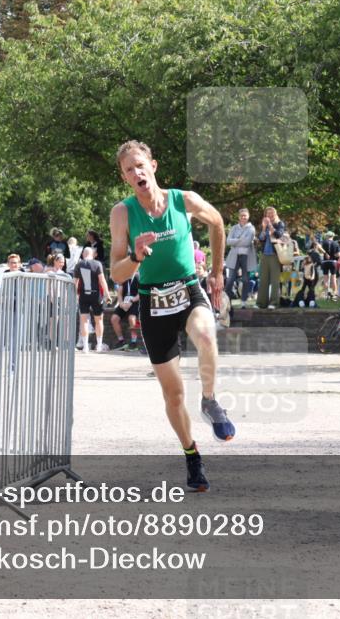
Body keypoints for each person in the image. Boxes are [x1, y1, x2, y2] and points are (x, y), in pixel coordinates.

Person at [108, 139, 233, 492]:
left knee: (206, 335)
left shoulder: (183, 200)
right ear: (125, 178)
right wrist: (135, 257)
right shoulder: (123, 213)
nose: (136, 173)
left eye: (140, 165)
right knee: (174, 395)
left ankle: (210, 400)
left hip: (188, 288)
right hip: (153, 302)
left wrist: (218, 272)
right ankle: (192, 456)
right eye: (128, 170)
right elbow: (117, 273)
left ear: (153, 166)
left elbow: (218, 223)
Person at [75, 246, 109, 353]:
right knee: (99, 320)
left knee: (83, 320)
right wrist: (107, 294)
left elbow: (74, 282)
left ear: (83, 254)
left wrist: (76, 295)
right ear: (92, 254)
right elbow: (102, 280)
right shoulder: (97, 264)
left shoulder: (78, 265)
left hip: (84, 295)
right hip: (96, 294)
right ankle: (99, 345)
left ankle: (85, 347)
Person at [225, 208, 257, 307]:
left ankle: (243, 301)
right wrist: (241, 239)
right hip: (234, 256)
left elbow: (247, 243)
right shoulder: (234, 228)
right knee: (230, 279)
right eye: (241, 215)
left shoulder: (251, 228)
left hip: (246, 256)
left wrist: (236, 241)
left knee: (246, 279)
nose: (243, 217)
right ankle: (226, 301)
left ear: (248, 216)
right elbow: (228, 241)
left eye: (245, 215)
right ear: (239, 217)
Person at [256, 207, 286, 309]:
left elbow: (278, 234)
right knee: (263, 280)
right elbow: (261, 239)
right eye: (268, 214)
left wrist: (270, 225)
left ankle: (274, 303)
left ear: (275, 214)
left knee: (275, 281)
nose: (270, 216)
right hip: (265, 255)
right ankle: (261, 303)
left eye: (272, 213)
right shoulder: (265, 225)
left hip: (275, 255)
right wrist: (264, 228)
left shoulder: (279, 224)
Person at [110, 271, 141, 351]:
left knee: (131, 318)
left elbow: (141, 293)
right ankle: (121, 341)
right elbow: (119, 292)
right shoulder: (124, 277)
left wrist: (132, 301)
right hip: (124, 302)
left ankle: (134, 343)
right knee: (114, 319)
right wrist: (121, 303)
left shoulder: (138, 277)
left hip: (135, 302)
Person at [319, 231, 340, 300]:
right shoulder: (336, 243)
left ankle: (326, 294)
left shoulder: (323, 243)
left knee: (325, 279)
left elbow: (320, 249)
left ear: (327, 236)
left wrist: (325, 253)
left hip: (325, 262)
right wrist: (334, 255)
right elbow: (338, 255)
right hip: (333, 262)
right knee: (333, 278)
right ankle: (334, 294)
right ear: (333, 236)